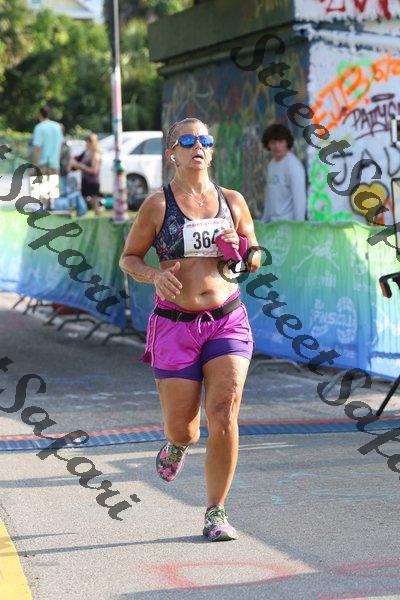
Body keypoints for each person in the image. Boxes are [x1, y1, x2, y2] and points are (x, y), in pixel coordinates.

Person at [119, 117, 261, 542]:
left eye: (205, 140)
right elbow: (129, 258)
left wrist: (243, 253)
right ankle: (177, 443)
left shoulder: (232, 201)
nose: (197, 146)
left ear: (211, 152)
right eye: (187, 140)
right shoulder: (157, 205)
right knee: (184, 427)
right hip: (175, 325)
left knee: (224, 411)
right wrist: (153, 276)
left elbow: (255, 253)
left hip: (226, 318)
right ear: (172, 154)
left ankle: (216, 511)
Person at [261, 123, 307, 222]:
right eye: (273, 142)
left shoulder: (293, 166)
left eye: (281, 142)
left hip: (288, 223)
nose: (277, 146)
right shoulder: (271, 165)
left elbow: (299, 198)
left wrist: (299, 225)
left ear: (287, 142)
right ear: (268, 144)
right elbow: (269, 197)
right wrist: (264, 220)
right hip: (273, 224)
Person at [71, 133, 103, 215]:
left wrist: (81, 166)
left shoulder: (96, 154)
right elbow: (77, 160)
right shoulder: (86, 153)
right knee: (83, 199)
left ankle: (98, 216)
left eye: (87, 142)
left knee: (94, 202)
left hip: (93, 182)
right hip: (85, 181)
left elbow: (94, 170)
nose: (86, 144)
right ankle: (82, 214)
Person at [32, 106, 63, 175]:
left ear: (39, 114)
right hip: (55, 166)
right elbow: (60, 146)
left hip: (43, 166)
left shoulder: (39, 127)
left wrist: (36, 165)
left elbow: (37, 148)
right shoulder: (57, 126)